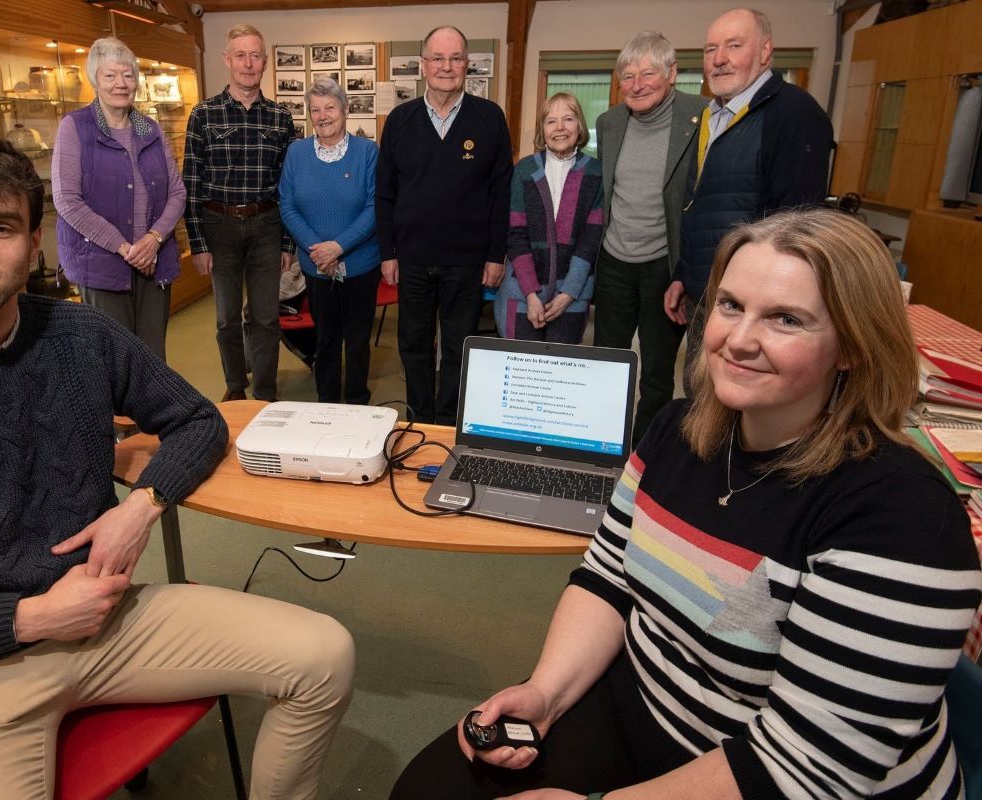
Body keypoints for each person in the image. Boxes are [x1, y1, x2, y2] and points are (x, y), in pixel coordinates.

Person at [0, 134, 354, 800]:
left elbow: (199, 421)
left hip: (108, 621)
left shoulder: (80, 335)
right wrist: (31, 619)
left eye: (0, 227)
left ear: (34, 244)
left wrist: (140, 507)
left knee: (325, 656)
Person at [391, 207, 982, 800]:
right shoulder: (676, 430)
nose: (739, 340)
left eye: (785, 319)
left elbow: (812, 767)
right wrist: (548, 692)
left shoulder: (904, 519)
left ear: (852, 346)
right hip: (646, 709)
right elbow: (608, 579)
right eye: (730, 306)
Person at [665, 8, 833, 388]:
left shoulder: (793, 113)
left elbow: (798, 225)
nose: (719, 59)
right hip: (707, 292)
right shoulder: (712, 115)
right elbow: (701, 205)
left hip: (752, 305)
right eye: (710, 49)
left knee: (738, 401)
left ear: (765, 52)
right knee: (700, 393)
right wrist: (684, 276)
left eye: (733, 46)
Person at [375, 25, 512, 425]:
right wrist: (388, 253)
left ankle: (450, 422)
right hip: (412, 260)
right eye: (438, 58)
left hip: (467, 262)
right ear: (424, 65)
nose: (446, 66)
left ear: (467, 65)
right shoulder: (400, 121)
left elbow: (501, 193)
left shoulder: (489, 118)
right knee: (413, 346)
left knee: (459, 348)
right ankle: (418, 419)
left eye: (455, 58)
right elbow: (384, 194)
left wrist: (495, 254)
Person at [593, 31, 705, 444]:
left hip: (665, 266)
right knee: (607, 361)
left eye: (648, 73)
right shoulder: (609, 123)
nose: (636, 84)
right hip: (614, 261)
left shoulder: (701, 117)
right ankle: (604, 443)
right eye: (627, 75)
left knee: (657, 371)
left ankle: (644, 453)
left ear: (672, 73)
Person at [183, 23, 297, 403]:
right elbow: (191, 182)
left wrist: (286, 242)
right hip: (220, 227)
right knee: (226, 319)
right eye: (241, 55)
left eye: (255, 56)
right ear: (227, 60)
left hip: (267, 226)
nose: (248, 64)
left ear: (265, 62)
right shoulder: (203, 115)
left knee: (266, 318)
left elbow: (288, 186)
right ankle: (235, 389)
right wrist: (198, 243)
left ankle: (265, 393)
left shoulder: (282, 118)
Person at [52, 37, 185, 360]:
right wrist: (125, 248)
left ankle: (152, 414)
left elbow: (178, 193)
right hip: (102, 265)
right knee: (115, 360)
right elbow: (67, 200)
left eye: (128, 75)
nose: (121, 84)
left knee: (153, 360)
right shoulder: (75, 127)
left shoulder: (150, 129)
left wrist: (153, 240)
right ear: (95, 79)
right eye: (110, 76)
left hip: (153, 262)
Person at [279, 77, 381, 404]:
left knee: (357, 341)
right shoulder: (296, 153)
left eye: (330, 108)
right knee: (325, 339)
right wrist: (319, 250)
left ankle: (356, 404)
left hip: (361, 264)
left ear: (346, 110)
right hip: (315, 266)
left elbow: (375, 206)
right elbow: (287, 204)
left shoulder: (368, 153)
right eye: (315, 109)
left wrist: (338, 247)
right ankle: (327, 405)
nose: (323, 116)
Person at [494, 92, 602, 344]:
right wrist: (531, 294)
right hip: (522, 294)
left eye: (568, 119)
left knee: (558, 374)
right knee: (520, 372)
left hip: (572, 296)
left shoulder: (595, 172)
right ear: (542, 129)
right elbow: (516, 234)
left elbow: (591, 238)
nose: (560, 128)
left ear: (580, 125)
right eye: (551, 121)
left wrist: (568, 293)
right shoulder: (525, 169)